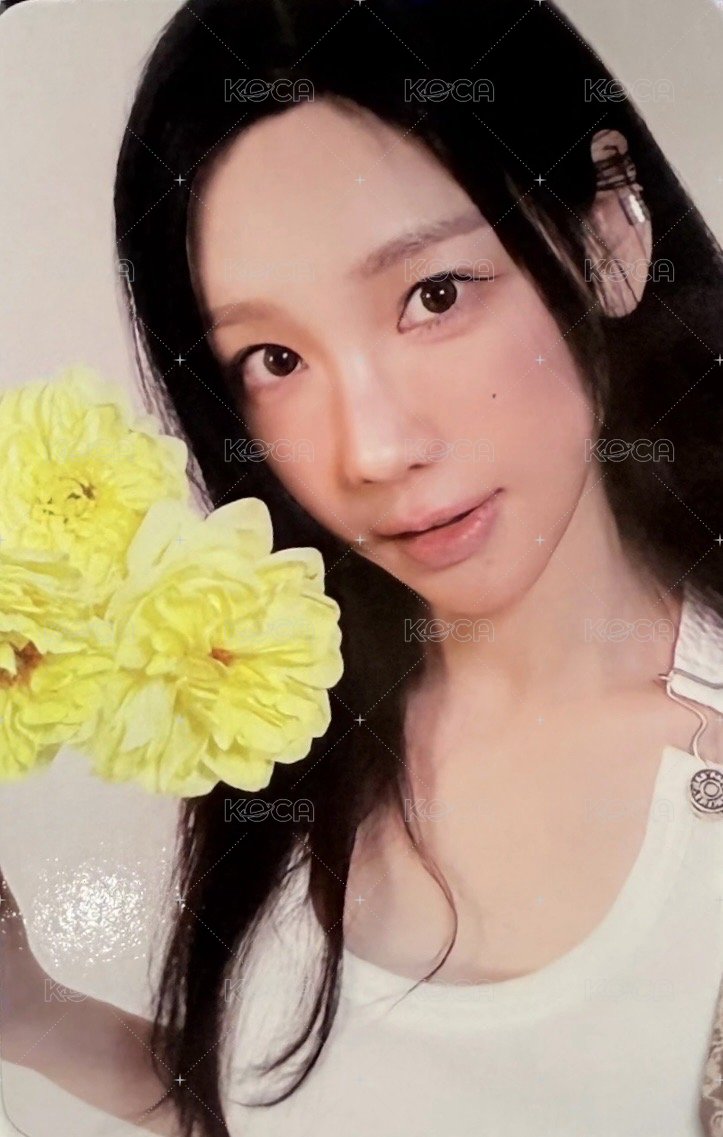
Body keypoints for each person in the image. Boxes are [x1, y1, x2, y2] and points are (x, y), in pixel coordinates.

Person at [3, 0, 723, 1134]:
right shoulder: (292, 712)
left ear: (610, 231)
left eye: (433, 296)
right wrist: (33, 1014)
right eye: (275, 358)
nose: (373, 450)